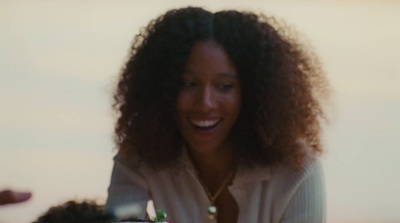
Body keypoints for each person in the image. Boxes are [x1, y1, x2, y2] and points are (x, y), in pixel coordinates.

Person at [105, 6, 329, 223]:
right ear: (161, 88)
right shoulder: (140, 154)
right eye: (188, 83)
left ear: (252, 93)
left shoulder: (297, 171)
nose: (205, 103)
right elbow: (122, 218)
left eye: (224, 86)